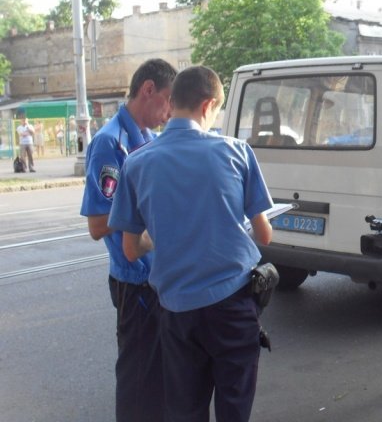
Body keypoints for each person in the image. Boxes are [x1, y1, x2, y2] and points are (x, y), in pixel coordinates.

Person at [108, 65, 273, 422]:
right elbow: (264, 235)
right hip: (232, 308)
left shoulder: (136, 163)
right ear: (208, 105)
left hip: (176, 312)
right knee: (234, 407)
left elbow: (130, 249)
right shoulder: (237, 151)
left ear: (174, 101)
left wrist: (163, 232)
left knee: (185, 409)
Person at [80, 58, 177, 422]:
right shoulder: (110, 143)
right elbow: (97, 222)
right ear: (148, 90)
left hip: (159, 278)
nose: (170, 113)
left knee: (162, 380)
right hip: (135, 280)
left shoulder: (151, 140)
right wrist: (155, 226)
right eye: (168, 100)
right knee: (139, 383)